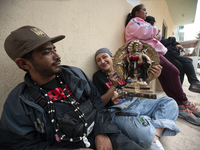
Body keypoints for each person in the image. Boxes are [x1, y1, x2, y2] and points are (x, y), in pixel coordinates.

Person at [0, 26, 143, 150]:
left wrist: (102, 132)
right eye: (47, 52)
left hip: (102, 133)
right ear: (24, 64)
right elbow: (21, 146)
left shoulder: (75, 74)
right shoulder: (18, 102)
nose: (57, 56)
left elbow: (98, 104)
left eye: (54, 49)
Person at [125, 4, 200, 126]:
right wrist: (156, 30)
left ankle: (180, 107)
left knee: (164, 77)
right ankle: (186, 102)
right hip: (146, 52)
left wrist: (156, 34)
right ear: (136, 13)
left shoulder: (140, 23)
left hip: (150, 52)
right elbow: (146, 33)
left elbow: (155, 37)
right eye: (143, 10)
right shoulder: (134, 22)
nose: (145, 12)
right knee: (174, 72)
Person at [93, 48, 180, 150]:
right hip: (117, 112)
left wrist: (152, 77)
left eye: (104, 57)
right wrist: (113, 85)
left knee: (170, 102)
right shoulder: (98, 77)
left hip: (136, 103)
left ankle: (155, 137)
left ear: (112, 57)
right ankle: (148, 126)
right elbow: (101, 103)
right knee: (145, 134)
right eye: (98, 60)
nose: (102, 61)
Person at [145, 15, 200, 93]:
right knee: (180, 66)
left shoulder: (153, 31)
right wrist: (172, 42)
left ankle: (194, 83)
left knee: (188, 60)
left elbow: (163, 40)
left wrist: (176, 44)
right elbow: (161, 41)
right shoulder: (146, 32)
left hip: (169, 54)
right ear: (150, 23)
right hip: (161, 56)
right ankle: (179, 89)